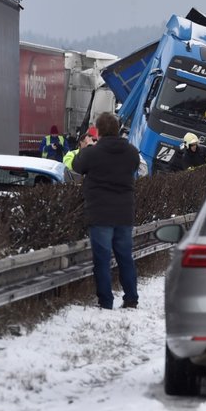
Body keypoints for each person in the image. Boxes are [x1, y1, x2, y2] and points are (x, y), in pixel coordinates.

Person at [71, 112, 140, 310]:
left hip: (100, 213)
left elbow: (77, 166)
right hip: (124, 213)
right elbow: (134, 167)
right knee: (125, 256)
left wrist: (84, 149)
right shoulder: (131, 152)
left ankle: (106, 301)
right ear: (117, 130)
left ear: (98, 131)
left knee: (102, 259)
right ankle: (131, 298)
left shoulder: (92, 153)